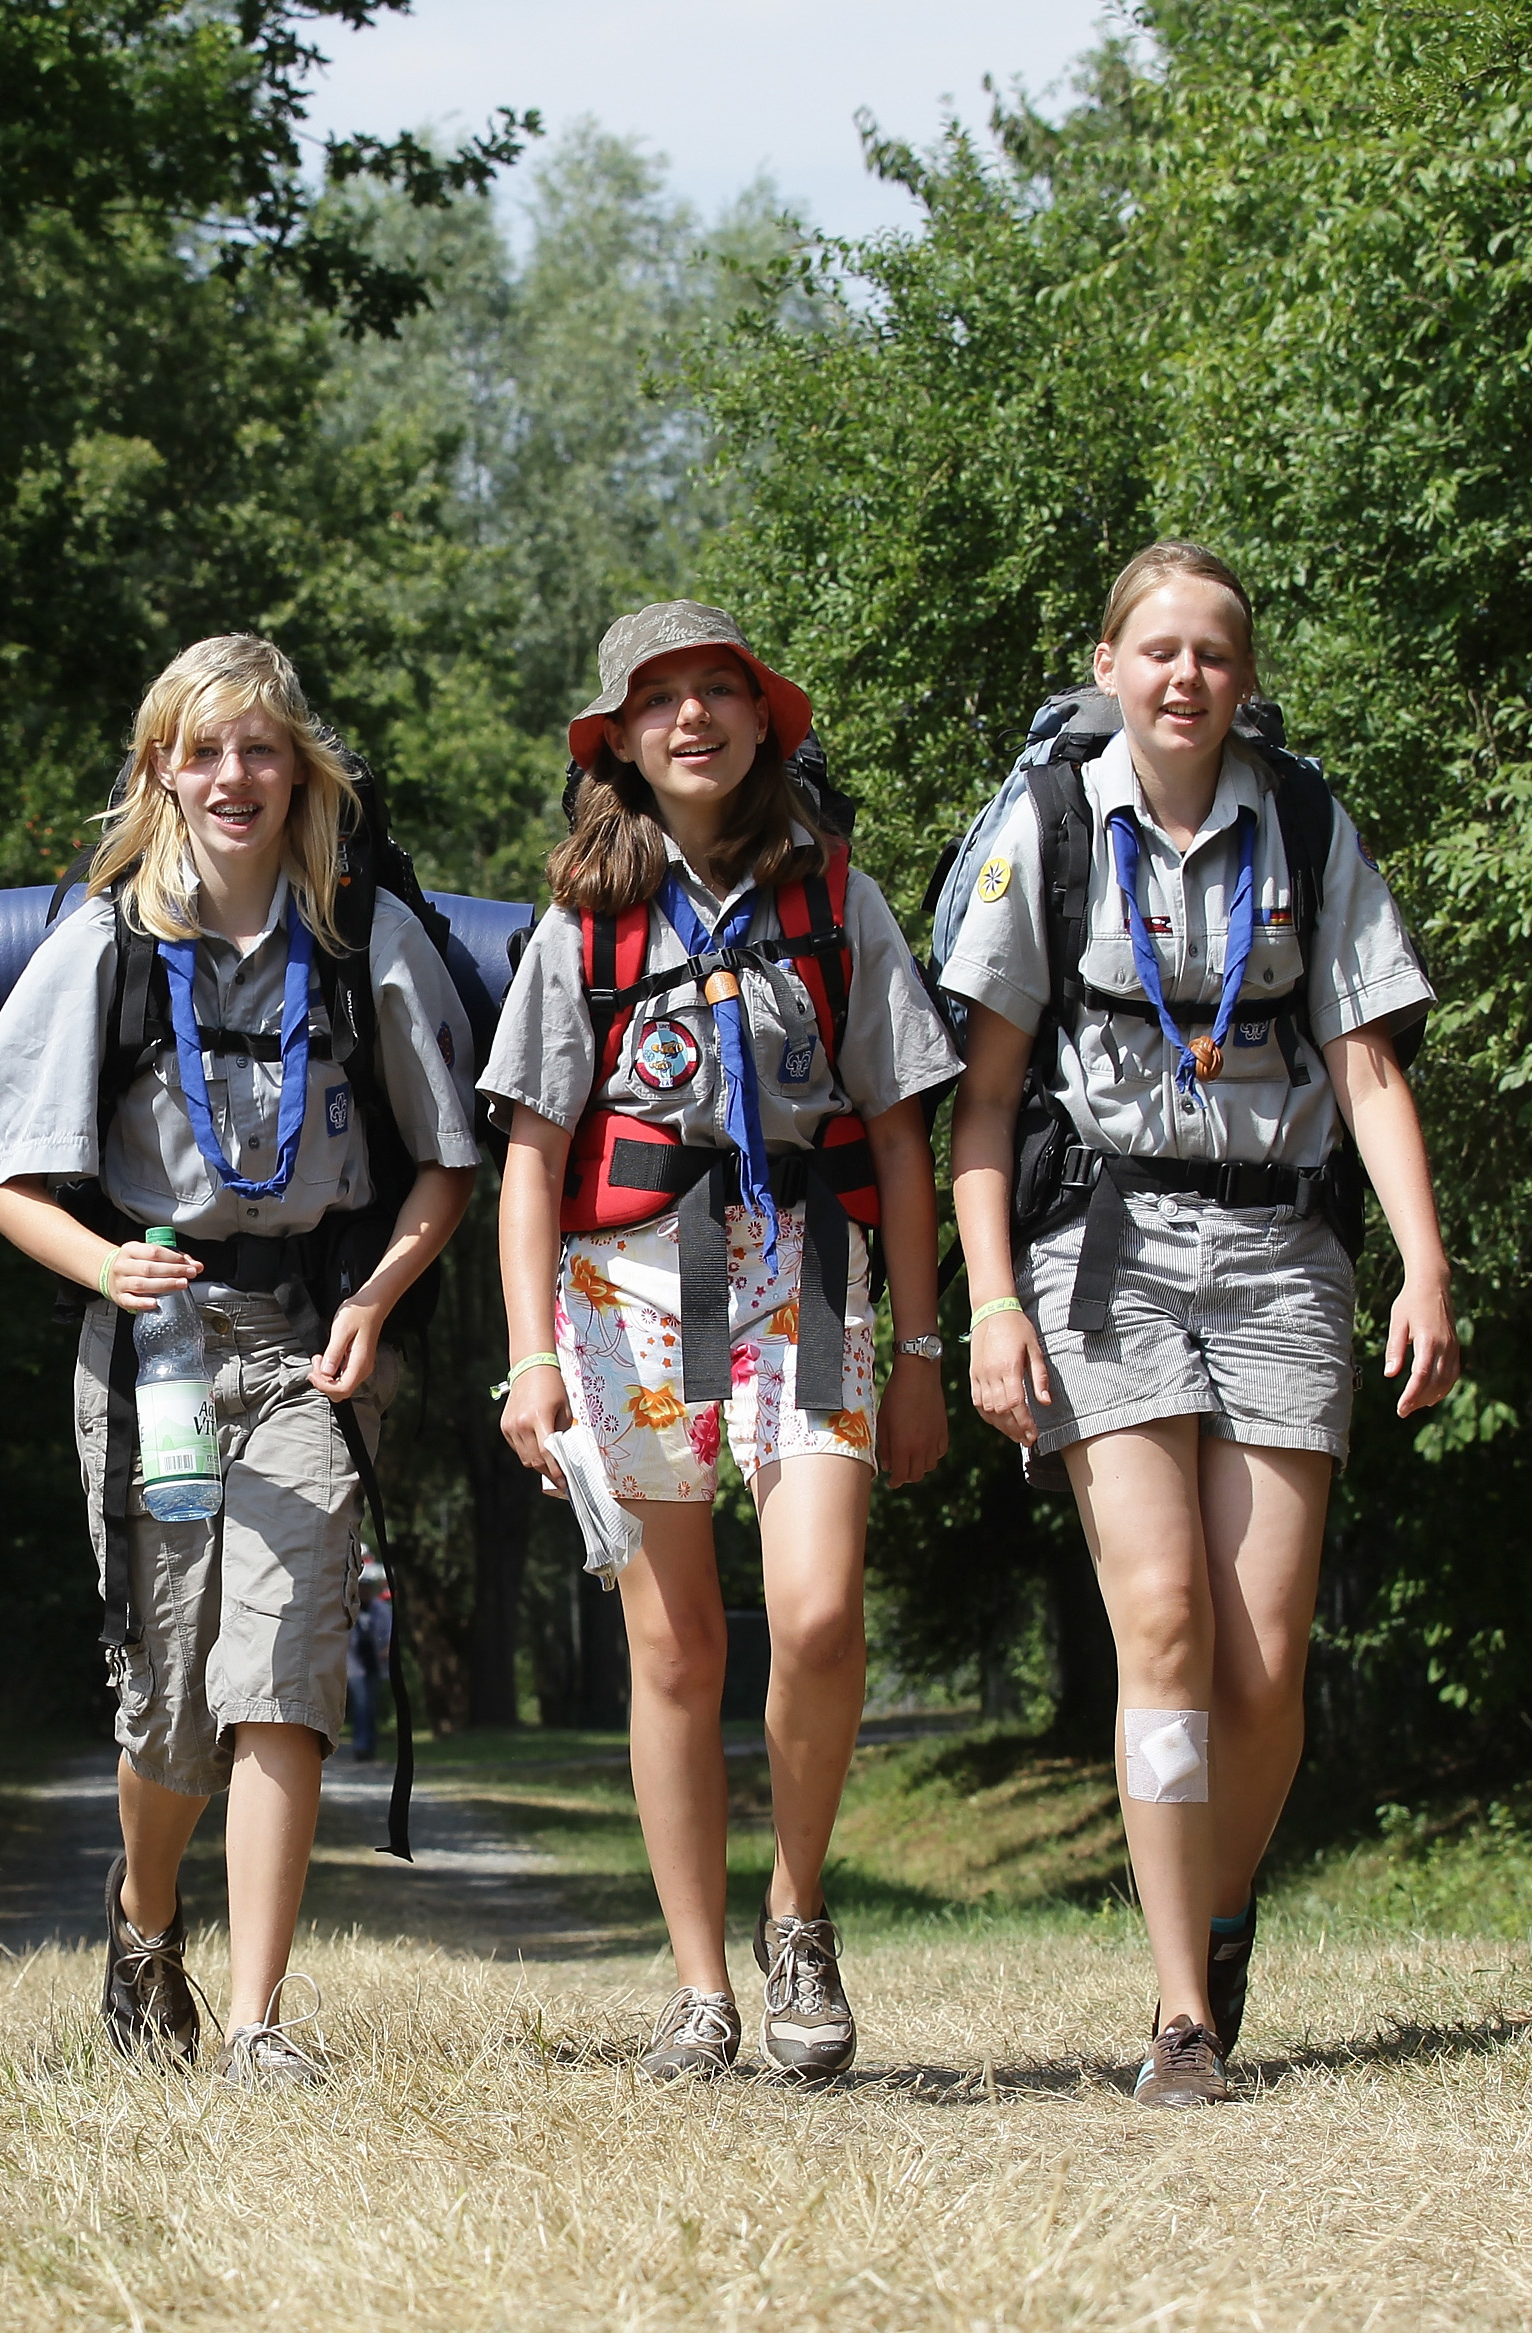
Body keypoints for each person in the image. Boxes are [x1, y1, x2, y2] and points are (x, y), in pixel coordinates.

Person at [939, 541, 1456, 2107]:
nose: (1184, 677)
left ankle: (1217, 1913)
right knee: (1160, 1621)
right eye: (1156, 649)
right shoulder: (1049, 829)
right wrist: (985, 1307)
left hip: (1283, 1252)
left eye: (1213, 654)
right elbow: (981, 1106)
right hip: (1104, 1256)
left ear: (1243, 675)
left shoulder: (1302, 819)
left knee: (1266, 1664)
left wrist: (1426, 1268)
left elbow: (1369, 1067)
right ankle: (1180, 2019)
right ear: (1108, 665)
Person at [0, 635, 478, 2089]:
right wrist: (107, 1267)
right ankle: (145, 1923)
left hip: (310, 1347)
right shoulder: (104, 950)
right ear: (161, 772)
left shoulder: (360, 941)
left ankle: (258, 2019)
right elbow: (12, 1185)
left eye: (260, 749)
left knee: (287, 1674)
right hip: (158, 1353)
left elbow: (449, 1166)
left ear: (300, 771)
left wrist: (377, 1302)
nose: (233, 777)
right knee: (173, 1700)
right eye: (203, 751)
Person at [486, 602, 956, 2084]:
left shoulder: (837, 901)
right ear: (618, 740)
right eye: (661, 699)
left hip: (805, 1272)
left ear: (765, 723)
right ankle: (698, 1986)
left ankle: (798, 1910)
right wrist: (528, 1358)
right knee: (676, 1648)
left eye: (720, 692)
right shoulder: (581, 927)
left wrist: (929, 1345)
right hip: (625, 1290)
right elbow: (528, 1151)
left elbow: (898, 1121)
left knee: (816, 1614)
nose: (693, 718)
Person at [345, 1562, 395, 1761]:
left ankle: (370, 1745)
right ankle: (361, 1745)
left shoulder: (381, 1610)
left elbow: (390, 1633)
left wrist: (387, 1648)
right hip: (355, 1666)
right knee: (361, 1704)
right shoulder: (349, 1607)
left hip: (375, 1664)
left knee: (369, 1706)